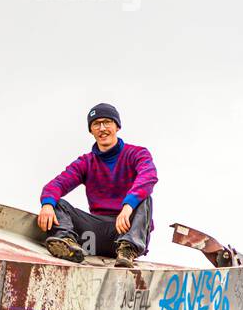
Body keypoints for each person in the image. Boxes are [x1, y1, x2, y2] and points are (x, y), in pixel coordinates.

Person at [37, 103, 158, 268]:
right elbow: (56, 184)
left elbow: (148, 176)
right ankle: (67, 243)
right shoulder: (86, 162)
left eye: (107, 122)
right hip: (96, 234)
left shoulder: (137, 154)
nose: (102, 128)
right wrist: (47, 204)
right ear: (91, 130)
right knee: (56, 203)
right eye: (96, 124)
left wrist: (128, 205)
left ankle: (127, 249)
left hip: (126, 230)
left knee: (145, 198)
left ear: (117, 126)